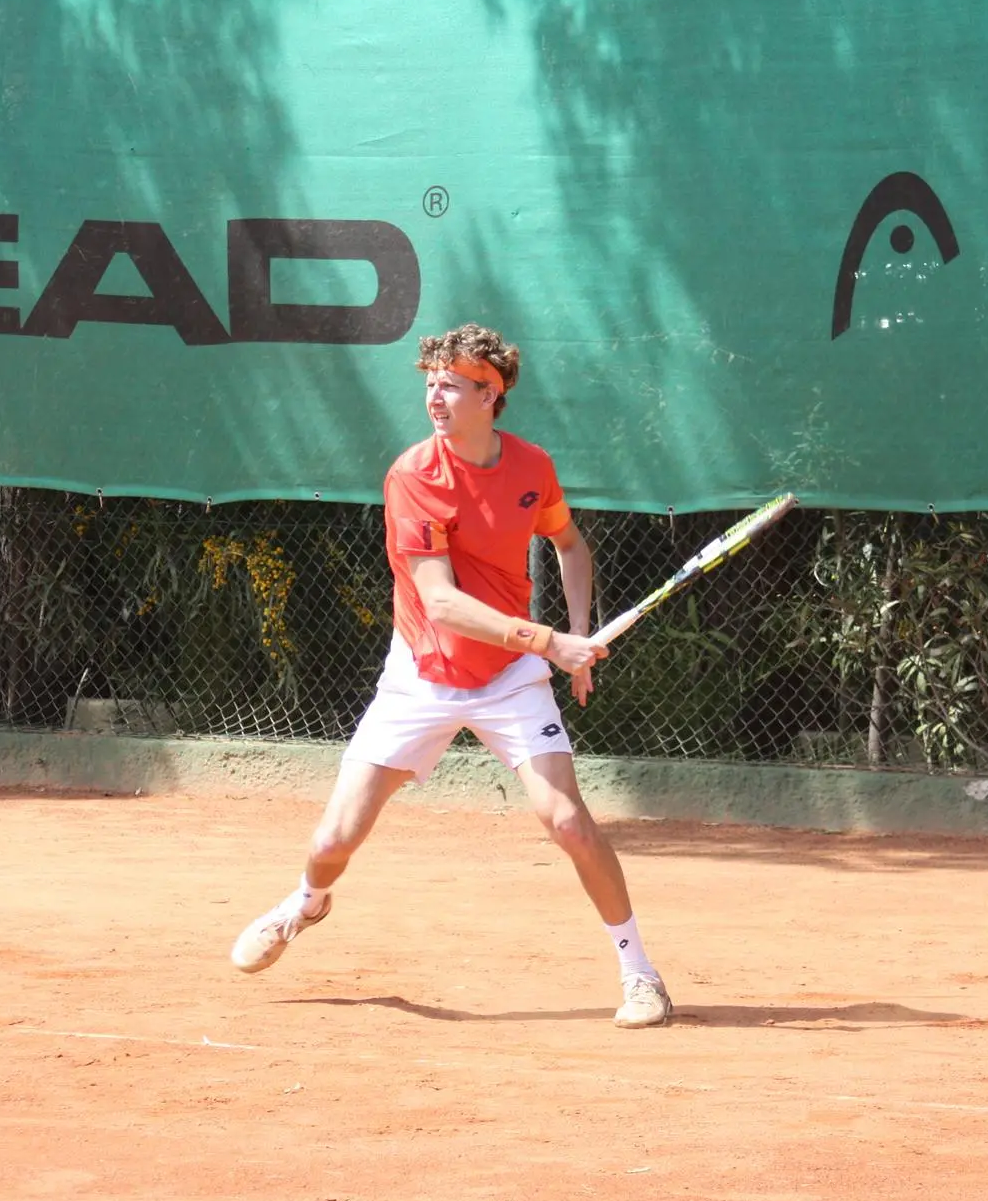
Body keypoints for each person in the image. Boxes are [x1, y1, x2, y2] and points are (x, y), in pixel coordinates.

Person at [229, 323, 673, 1029]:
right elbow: (439, 601)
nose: (433, 396)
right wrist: (550, 639)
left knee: (568, 822)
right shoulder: (414, 475)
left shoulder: (531, 468)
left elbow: (568, 544)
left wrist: (578, 634)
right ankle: (305, 904)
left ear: (489, 394)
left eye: (450, 384)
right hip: (421, 673)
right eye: (428, 382)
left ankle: (639, 972)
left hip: (509, 677)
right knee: (330, 843)